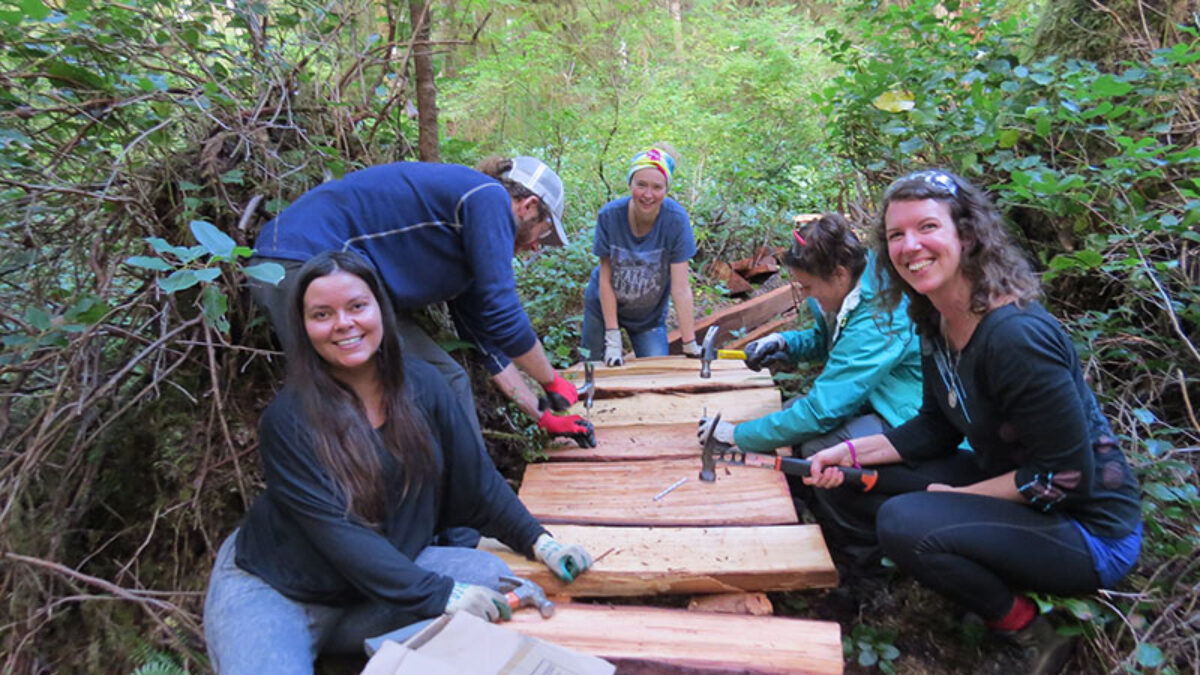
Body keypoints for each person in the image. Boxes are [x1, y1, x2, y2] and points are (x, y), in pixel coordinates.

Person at [805, 170, 1142, 674]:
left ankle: (1032, 632)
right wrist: (847, 454)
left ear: (966, 234)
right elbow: (934, 429)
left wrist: (956, 500)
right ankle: (930, 573)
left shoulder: (1015, 336)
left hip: (1086, 528)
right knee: (851, 484)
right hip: (1021, 490)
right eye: (896, 235)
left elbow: (1064, 476)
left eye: (927, 228)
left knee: (904, 520)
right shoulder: (935, 318)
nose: (910, 245)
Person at [205, 251, 593, 674]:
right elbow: (341, 537)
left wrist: (541, 542)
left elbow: (477, 483)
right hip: (281, 589)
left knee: (486, 575)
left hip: (367, 593)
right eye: (322, 314)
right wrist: (441, 594)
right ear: (303, 326)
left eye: (357, 306)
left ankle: (367, 650)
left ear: (381, 310)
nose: (343, 324)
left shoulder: (424, 386)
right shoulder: (289, 420)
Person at [250, 157, 594, 454]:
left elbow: (490, 346)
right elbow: (505, 314)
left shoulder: (470, 245)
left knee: (446, 380)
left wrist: (544, 414)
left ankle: (467, 508)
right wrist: (551, 382)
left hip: (328, 276)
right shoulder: (488, 198)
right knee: (345, 401)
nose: (537, 247)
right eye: (543, 234)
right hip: (300, 264)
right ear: (529, 205)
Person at [581, 145, 700, 366]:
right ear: (630, 184)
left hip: (648, 318)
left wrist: (689, 342)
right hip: (603, 308)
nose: (648, 194)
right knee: (591, 367)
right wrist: (612, 337)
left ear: (666, 189)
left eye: (657, 187)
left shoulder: (676, 220)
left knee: (655, 373)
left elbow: (681, 288)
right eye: (641, 185)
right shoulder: (609, 216)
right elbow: (605, 281)